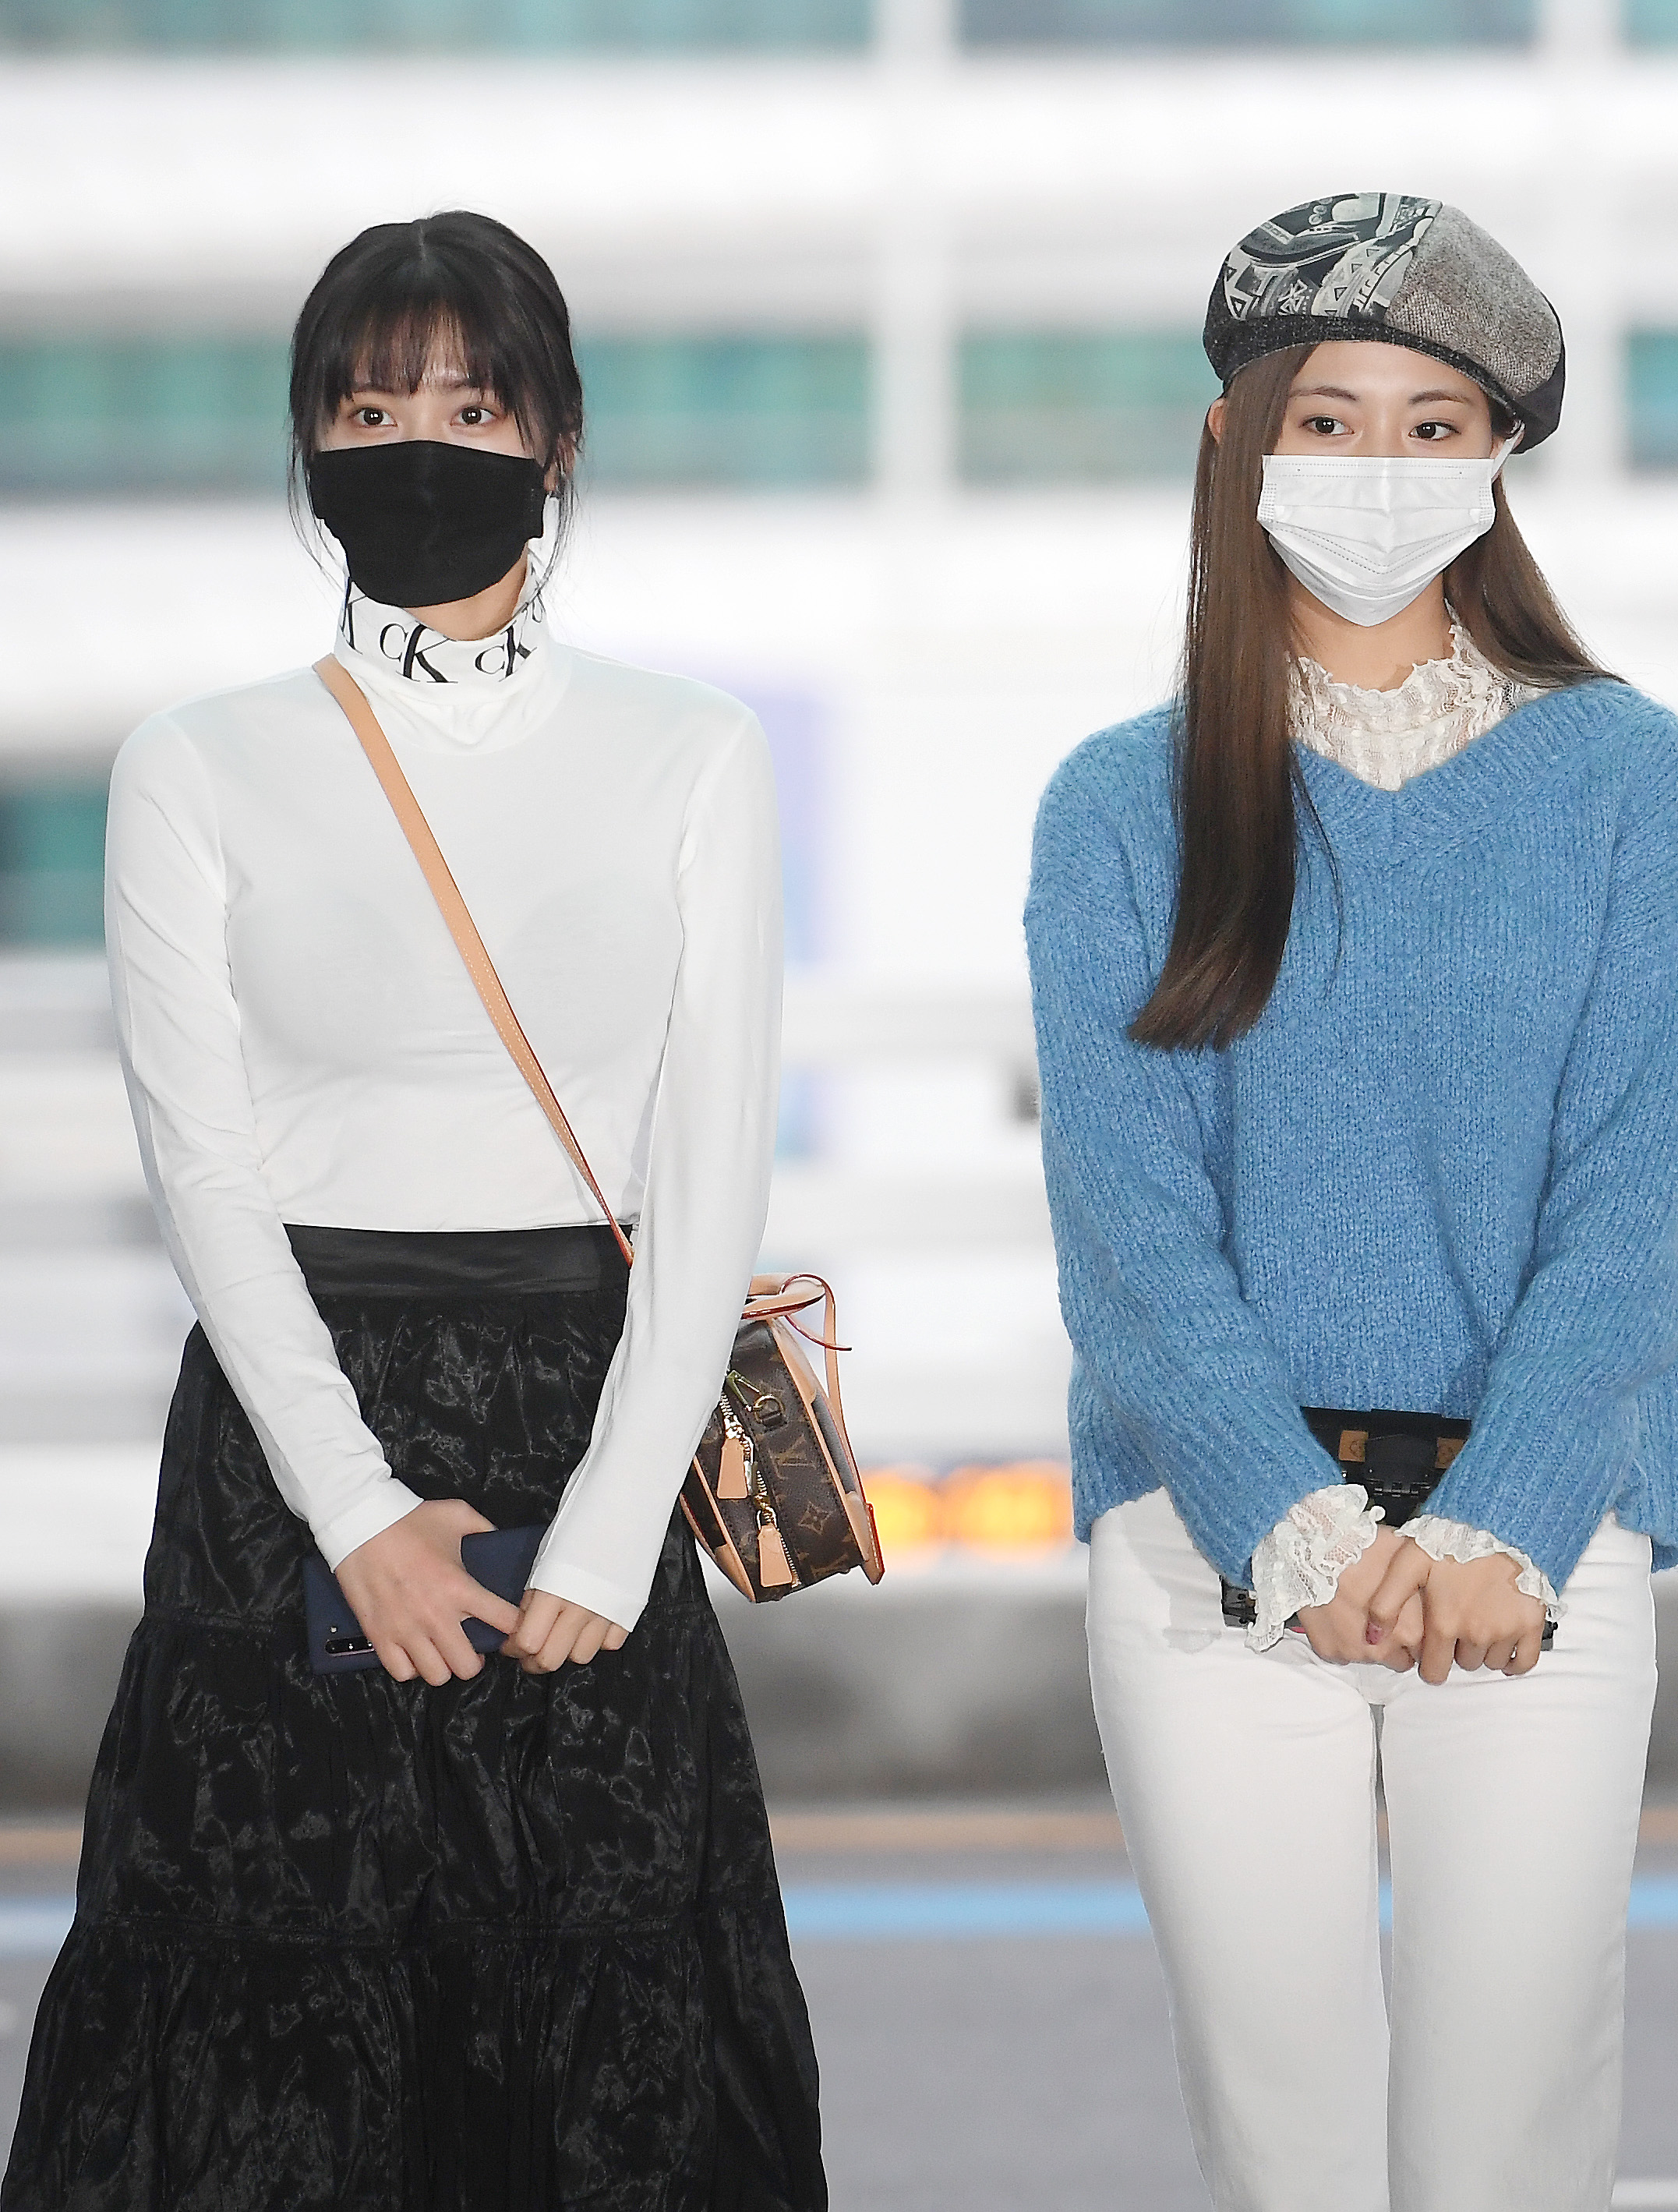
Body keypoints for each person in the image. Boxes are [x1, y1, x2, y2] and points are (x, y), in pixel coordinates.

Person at [2, 211, 825, 2210]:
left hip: (596, 1422)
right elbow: (203, 1168)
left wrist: (614, 1529)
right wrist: (356, 1514)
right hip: (290, 1443)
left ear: (555, 436)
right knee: (274, 2045)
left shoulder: (693, 752)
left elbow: (711, 1161)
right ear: (307, 449)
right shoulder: (195, 764)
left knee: (601, 2039)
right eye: (365, 412)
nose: (415, 447)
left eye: (468, 404)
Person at [1024, 193, 1678, 2212]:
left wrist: (1505, 1520)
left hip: (1539, 1551)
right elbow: (1130, 1238)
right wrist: (1295, 1529)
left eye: (1434, 425)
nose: (1377, 467)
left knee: (1513, 2138)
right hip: (1212, 1549)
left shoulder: (1623, 771)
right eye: (1326, 420)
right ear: (1235, 444)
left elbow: (1632, 1197)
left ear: (1498, 458)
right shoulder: (1121, 800)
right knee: (1287, 2143)